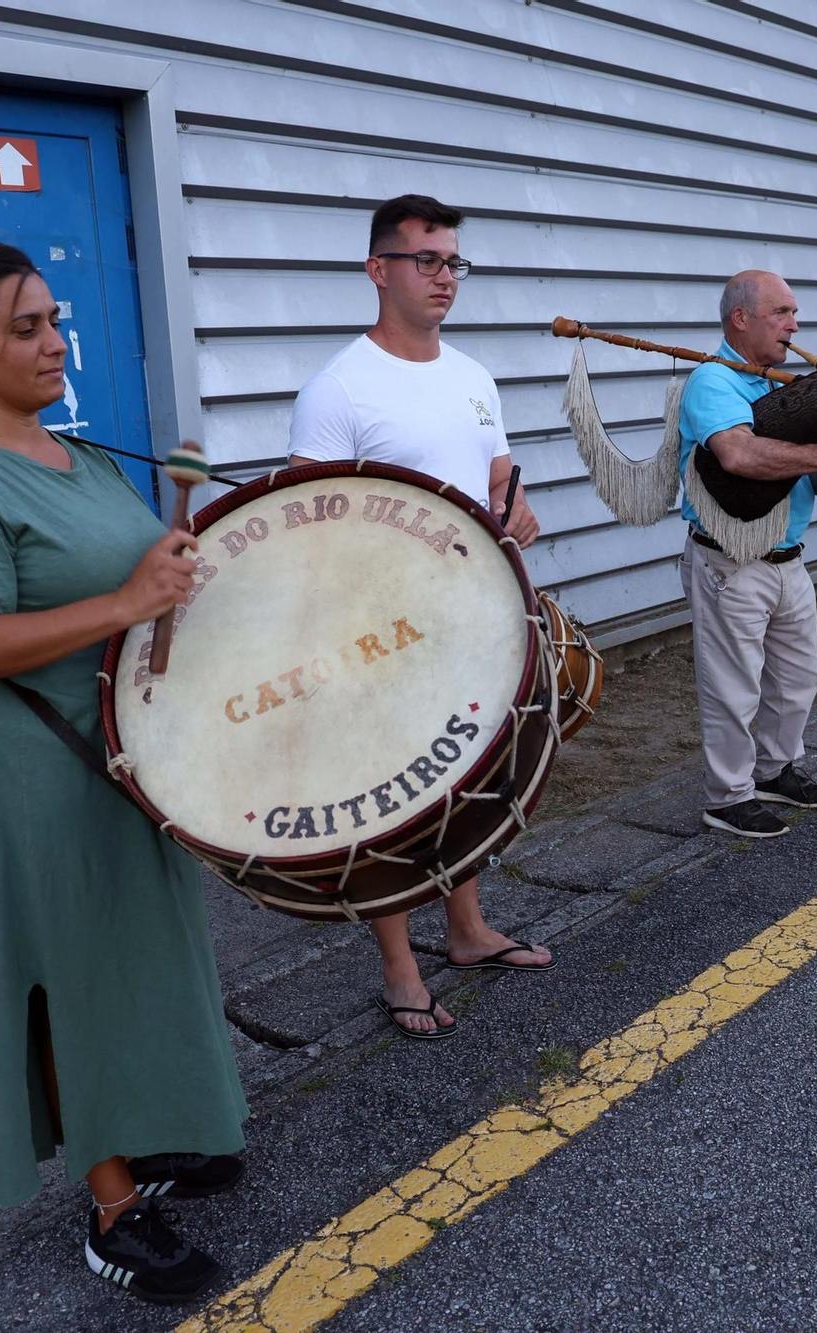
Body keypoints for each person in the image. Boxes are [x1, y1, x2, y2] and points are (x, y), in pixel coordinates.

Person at [0, 240, 247, 1306]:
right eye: (24, 329)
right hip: (40, 763)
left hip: (129, 754)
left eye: (54, 320)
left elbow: (143, 583)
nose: (53, 344)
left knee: (150, 947)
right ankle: (110, 1206)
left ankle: (165, 1125)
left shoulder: (80, 456)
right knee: (70, 971)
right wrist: (128, 602)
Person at [285, 194, 548, 1041]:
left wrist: (517, 507)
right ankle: (400, 967)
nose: (445, 278)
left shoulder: (472, 375)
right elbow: (310, 529)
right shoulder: (338, 388)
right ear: (378, 270)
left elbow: (495, 467)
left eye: (453, 263)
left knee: (464, 775)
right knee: (390, 798)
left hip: (474, 616)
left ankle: (466, 929)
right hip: (381, 629)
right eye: (427, 261)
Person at [678, 270, 817, 839]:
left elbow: (802, 476)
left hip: (788, 554)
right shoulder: (713, 382)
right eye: (782, 313)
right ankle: (727, 794)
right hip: (729, 560)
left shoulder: (775, 386)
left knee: (797, 679)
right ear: (741, 319)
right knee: (733, 686)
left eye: (794, 315)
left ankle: (773, 769)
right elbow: (739, 457)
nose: (794, 324)